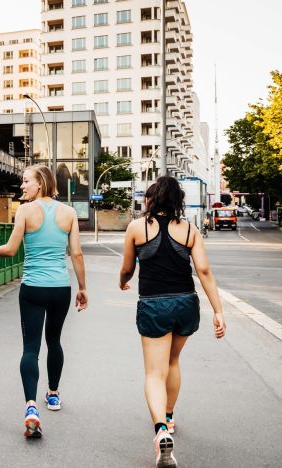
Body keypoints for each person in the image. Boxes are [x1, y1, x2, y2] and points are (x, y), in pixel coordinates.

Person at [118, 176, 227, 468]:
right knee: (173, 363)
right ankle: (169, 416)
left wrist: (122, 282)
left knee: (154, 373)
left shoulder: (137, 228)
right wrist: (218, 310)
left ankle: (160, 432)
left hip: (154, 304)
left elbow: (128, 268)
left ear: (151, 199)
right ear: (177, 201)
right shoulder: (190, 230)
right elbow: (203, 270)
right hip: (185, 303)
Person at [0, 164, 88, 439]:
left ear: (40, 183)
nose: (22, 186)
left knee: (30, 349)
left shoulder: (24, 212)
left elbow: (11, 249)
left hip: (33, 288)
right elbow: (77, 254)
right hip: (60, 287)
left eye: (26, 182)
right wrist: (83, 288)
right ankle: (54, 394)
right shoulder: (69, 213)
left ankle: (31, 408)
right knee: (55, 341)